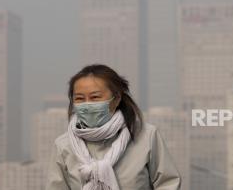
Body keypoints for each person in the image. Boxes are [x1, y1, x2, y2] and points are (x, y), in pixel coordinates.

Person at [45, 64, 182, 190]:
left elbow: (168, 183)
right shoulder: (63, 145)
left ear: (116, 99)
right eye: (79, 98)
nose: (87, 104)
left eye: (95, 97)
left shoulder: (146, 135)